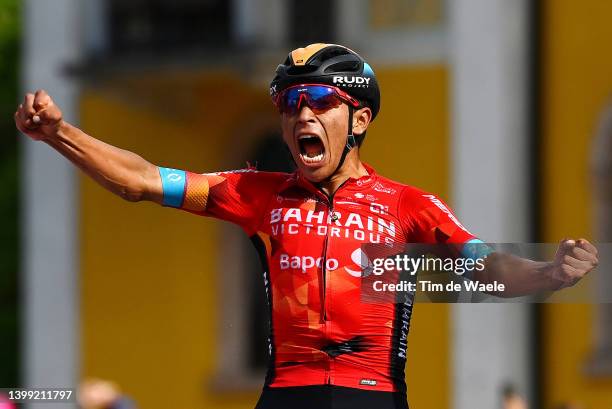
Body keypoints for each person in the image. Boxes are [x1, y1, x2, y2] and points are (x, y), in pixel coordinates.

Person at [14, 43, 598, 409]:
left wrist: (550, 274)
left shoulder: (407, 205)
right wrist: (59, 134)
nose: (301, 114)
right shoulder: (259, 196)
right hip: (286, 394)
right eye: (289, 103)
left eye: (320, 98)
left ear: (360, 118)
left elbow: (489, 269)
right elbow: (141, 181)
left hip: (371, 395)